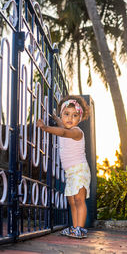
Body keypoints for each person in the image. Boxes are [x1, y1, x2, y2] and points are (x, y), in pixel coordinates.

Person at [36, 95, 91, 238]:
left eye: (74, 115)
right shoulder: (65, 125)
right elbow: (62, 125)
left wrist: (45, 127)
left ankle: (81, 228)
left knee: (79, 200)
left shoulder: (76, 132)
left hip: (80, 170)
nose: (70, 118)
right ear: (62, 114)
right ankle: (74, 228)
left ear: (80, 118)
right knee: (72, 201)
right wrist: (56, 117)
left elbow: (63, 131)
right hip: (70, 173)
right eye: (66, 114)